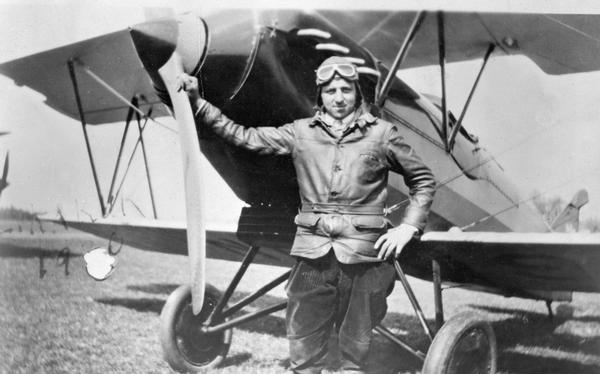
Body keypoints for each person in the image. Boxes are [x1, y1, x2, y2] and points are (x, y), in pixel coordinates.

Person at [178, 56, 435, 374]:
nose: (338, 97)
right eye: (330, 91)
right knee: (304, 354)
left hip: (366, 261)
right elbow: (243, 136)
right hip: (312, 258)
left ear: (357, 93)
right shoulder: (299, 133)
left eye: (345, 89)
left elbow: (423, 180)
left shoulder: (382, 134)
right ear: (320, 96)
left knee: (353, 358)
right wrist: (199, 104)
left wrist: (408, 227)